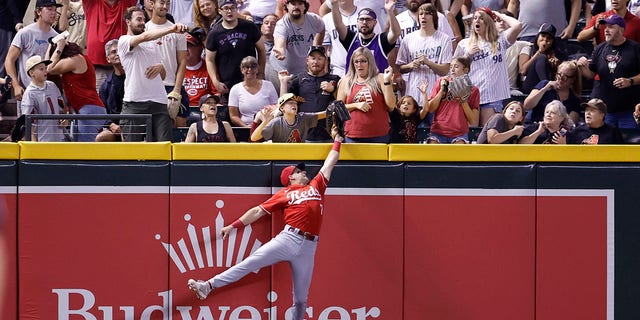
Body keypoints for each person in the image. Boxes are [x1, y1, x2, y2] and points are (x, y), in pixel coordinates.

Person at [187, 130, 345, 320]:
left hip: (309, 247)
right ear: (290, 178)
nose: (303, 172)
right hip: (289, 238)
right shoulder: (284, 194)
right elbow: (257, 211)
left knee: (301, 300)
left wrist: (337, 141)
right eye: (298, 170)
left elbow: (329, 164)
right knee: (249, 263)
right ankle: (208, 286)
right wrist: (233, 226)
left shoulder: (316, 186)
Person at [118, 6, 188, 141]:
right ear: (128, 21)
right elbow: (144, 36)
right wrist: (172, 29)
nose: (142, 22)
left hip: (159, 101)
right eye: (138, 19)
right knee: (132, 148)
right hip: (135, 101)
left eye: (144, 19)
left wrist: (161, 68)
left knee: (164, 146)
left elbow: (161, 76)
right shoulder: (124, 40)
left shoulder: (151, 45)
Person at [453, 7, 521, 126]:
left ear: (489, 22)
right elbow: (453, 71)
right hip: (470, 96)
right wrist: (467, 55)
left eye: (481, 18)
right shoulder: (464, 43)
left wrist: (498, 14)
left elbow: (518, 25)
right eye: (475, 18)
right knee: (470, 133)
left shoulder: (500, 40)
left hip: (493, 96)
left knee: (488, 134)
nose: (477, 21)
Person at [577, 14, 640, 128]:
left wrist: (630, 81)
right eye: (605, 27)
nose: (606, 30)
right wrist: (582, 67)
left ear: (621, 29)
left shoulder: (635, 48)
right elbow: (591, 74)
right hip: (607, 110)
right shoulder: (600, 49)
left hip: (628, 110)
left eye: (611, 27)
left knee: (628, 144)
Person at [46, 38, 107, 142]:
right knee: (76, 146)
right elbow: (47, 64)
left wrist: (59, 47)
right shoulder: (74, 60)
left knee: (84, 148)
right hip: (81, 109)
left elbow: (49, 68)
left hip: (89, 108)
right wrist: (50, 46)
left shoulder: (76, 59)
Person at [4, 0, 60, 111]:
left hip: (49, 92)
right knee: (27, 126)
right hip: (27, 91)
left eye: (55, 9)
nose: (53, 13)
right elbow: (9, 60)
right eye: (49, 9)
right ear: (39, 11)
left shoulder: (57, 36)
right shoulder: (25, 33)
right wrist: (15, 85)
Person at [278, 46, 341, 142]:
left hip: (330, 135)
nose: (316, 62)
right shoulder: (298, 80)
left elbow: (343, 104)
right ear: (307, 60)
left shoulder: (335, 79)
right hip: (304, 135)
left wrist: (333, 90)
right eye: (313, 58)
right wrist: (283, 82)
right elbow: (283, 104)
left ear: (325, 61)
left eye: (320, 58)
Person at [205, 0, 265, 100]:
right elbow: (209, 59)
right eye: (226, 8)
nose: (229, 11)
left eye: (232, 8)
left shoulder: (249, 27)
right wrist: (215, 81)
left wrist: (261, 72)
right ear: (220, 11)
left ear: (237, 9)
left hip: (251, 80)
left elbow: (262, 50)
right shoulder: (214, 33)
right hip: (228, 86)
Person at [396, 3, 453, 106]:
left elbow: (445, 70)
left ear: (434, 17)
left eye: (427, 13)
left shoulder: (444, 39)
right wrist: (411, 65)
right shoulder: (408, 39)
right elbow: (400, 67)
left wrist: (428, 63)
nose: (423, 16)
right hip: (413, 95)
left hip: (434, 96)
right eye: (421, 14)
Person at [336, 47, 396, 143]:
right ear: (352, 63)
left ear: (370, 62)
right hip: (353, 135)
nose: (359, 65)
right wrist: (356, 105)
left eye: (363, 61)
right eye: (356, 61)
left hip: (379, 135)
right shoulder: (346, 81)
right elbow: (338, 108)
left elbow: (391, 106)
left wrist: (387, 82)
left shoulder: (380, 78)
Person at [147, 0, 190, 127]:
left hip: (172, 85)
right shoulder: (144, 29)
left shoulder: (177, 30)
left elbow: (182, 61)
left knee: (179, 126)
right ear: (152, 4)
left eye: (168, 3)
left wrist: (177, 89)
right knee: (153, 129)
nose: (165, 7)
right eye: (161, 3)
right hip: (151, 86)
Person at [268, 0, 325, 93]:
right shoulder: (282, 24)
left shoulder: (314, 19)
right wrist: (280, 51)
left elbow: (321, 29)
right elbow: (280, 43)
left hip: (303, 70)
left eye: (300, 3)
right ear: (287, 6)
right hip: (281, 71)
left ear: (305, 6)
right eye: (293, 4)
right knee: (283, 102)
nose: (296, 6)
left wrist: (317, 47)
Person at [331, 0, 400, 73]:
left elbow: (396, 33)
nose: (364, 22)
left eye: (368, 19)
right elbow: (338, 25)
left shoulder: (381, 40)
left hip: (376, 83)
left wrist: (390, 11)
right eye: (362, 19)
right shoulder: (351, 39)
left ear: (375, 22)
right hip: (355, 83)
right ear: (357, 22)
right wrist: (334, 5)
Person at [84, 0, 137, 91]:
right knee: (100, 103)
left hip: (124, 68)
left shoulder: (126, 3)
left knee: (122, 103)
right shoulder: (92, 3)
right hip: (98, 70)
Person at [321, 0, 381, 77]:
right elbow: (324, 49)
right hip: (339, 71)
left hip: (365, 70)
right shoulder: (327, 19)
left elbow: (377, 43)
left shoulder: (366, 14)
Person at [427, 57, 480, 143]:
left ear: (466, 70)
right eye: (451, 67)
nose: (452, 70)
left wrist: (462, 100)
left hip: (459, 134)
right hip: (438, 132)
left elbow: (473, 120)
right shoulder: (441, 82)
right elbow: (430, 109)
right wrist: (441, 91)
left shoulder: (474, 90)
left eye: (456, 67)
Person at [20, 55, 66, 142]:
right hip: (42, 140)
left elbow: (62, 108)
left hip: (59, 138)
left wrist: (64, 119)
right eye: (41, 69)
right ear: (31, 73)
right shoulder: (30, 94)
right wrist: (34, 144)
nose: (45, 71)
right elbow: (28, 122)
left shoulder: (52, 85)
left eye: (45, 68)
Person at [250, 93, 326, 142]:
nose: (294, 105)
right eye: (290, 103)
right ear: (282, 108)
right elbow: (254, 138)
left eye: (295, 103)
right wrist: (265, 122)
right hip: (281, 157)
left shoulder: (303, 118)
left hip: (299, 155)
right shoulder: (276, 123)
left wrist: (332, 110)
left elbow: (322, 115)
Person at [228, 56, 278, 127]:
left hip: (266, 126)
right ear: (242, 70)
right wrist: (246, 127)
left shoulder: (269, 85)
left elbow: (276, 107)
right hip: (246, 128)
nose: (249, 70)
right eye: (246, 67)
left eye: (253, 67)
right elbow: (233, 116)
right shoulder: (235, 89)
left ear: (257, 69)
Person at [519, 23, 563, 94]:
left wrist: (555, 66)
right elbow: (523, 71)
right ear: (538, 36)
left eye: (549, 38)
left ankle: (547, 87)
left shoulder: (555, 54)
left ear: (552, 42)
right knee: (542, 57)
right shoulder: (527, 49)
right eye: (543, 36)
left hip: (546, 85)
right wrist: (539, 52)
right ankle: (547, 88)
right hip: (529, 85)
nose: (545, 40)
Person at [183, 29, 216, 111]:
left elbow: (216, 93)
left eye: (190, 45)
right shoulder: (176, 68)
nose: (186, 49)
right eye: (183, 45)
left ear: (200, 48)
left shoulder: (209, 67)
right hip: (182, 110)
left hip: (204, 110)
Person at [0, 0, 30, 80]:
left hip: (11, 24)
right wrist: (17, 21)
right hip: (6, 24)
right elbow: (11, 2)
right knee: (5, 60)